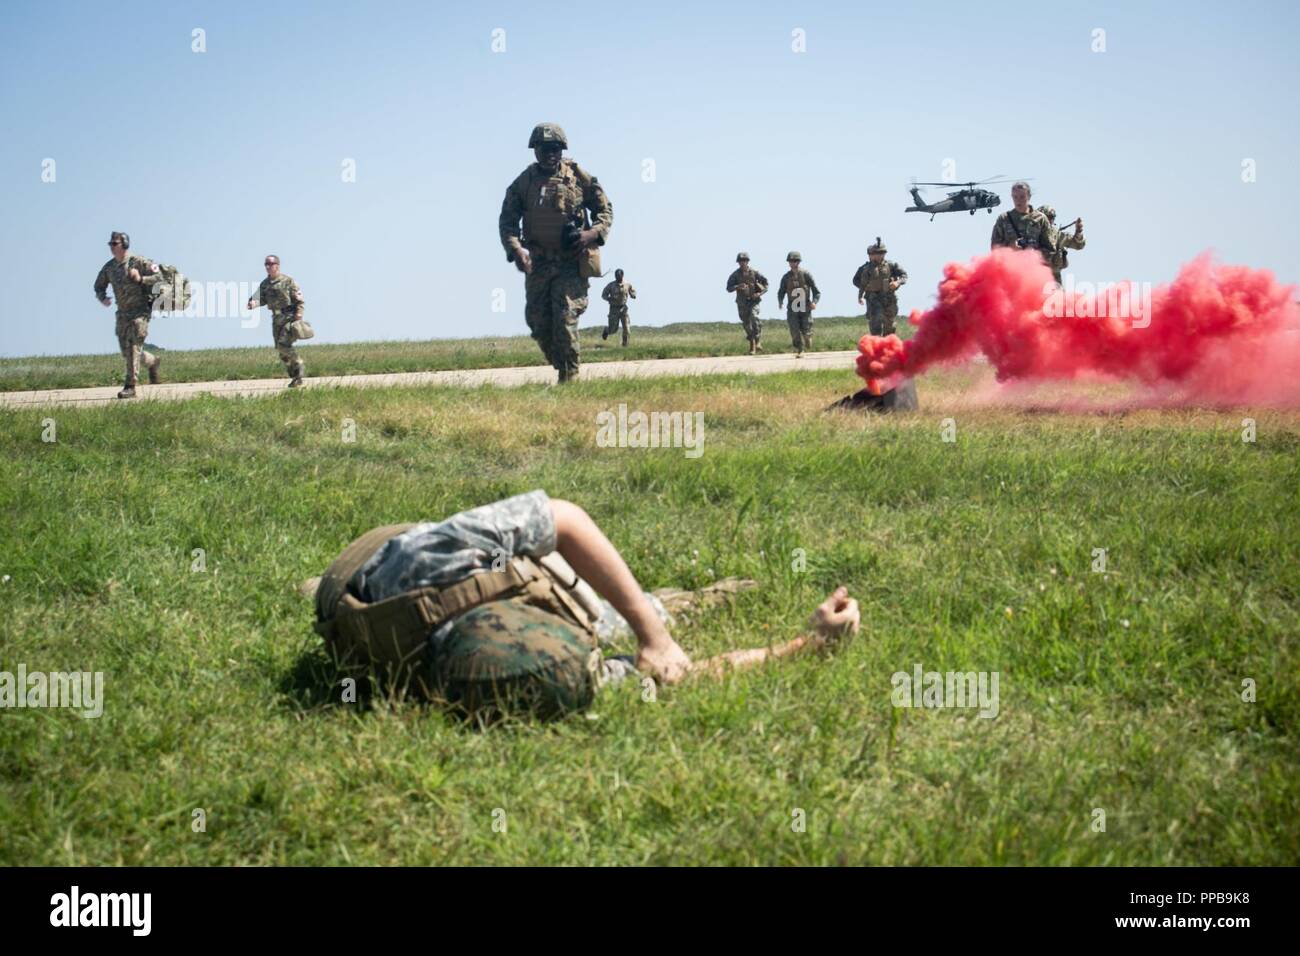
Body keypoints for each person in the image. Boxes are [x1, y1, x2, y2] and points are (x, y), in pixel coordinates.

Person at [311, 490, 860, 723]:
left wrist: (654, 638)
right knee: (617, 617)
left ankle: (680, 605)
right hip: (370, 597)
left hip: (386, 556)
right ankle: (670, 607)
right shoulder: (475, 683)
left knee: (634, 613)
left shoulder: (442, 554)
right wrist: (804, 647)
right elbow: (685, 679)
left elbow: (566, 519)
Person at [498, 123, 614, 383]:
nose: (550, 154)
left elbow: (605, 211)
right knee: (538, 323)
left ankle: (569, 378)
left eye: (555, 149)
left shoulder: (577, 177)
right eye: (544, 149)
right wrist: (515, 249)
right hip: (538, 263)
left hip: (571, 263)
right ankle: (560, 362)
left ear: (561, 150)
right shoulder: (523, 183)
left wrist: (591, 234)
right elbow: (507, 220)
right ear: (535, 151)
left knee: (565, 317)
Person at [93, 231, 163, 399]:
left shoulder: (138, 262)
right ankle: (153, 362)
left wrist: (141, 279)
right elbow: (98, 285)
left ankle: (130, 386)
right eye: (110, 244)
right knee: (127, 352)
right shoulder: (109, 268)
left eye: (115, 244)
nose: (111, 247)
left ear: (124, 244)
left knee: (133, 347)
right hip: (122, 314)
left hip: (140, 312)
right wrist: (102, 298)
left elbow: (159, 276)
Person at [246, 255, 307, 387]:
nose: (268, 267)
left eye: (271, 264)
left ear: (277, 265)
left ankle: (299, 364)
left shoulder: (288, 281)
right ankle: (296, 376)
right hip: (276, 318)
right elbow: (260, 298)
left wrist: (299, 313)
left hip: (288, 317)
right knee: (281, 352)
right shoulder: (265, 284)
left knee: (283, 345)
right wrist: (253, 304)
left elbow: (299, 299)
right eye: (266, 264)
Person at [989, 182, 1056, 268]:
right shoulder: (1003, 219)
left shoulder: (1040, 219)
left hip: (1034, 271)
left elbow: (1050, 250)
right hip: (1010, 271)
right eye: (1015, 197)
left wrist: (1034, 253)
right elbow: (994, 249)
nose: (1018, 200)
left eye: (1022, 197)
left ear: (1029, 196)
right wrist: (1010, 248)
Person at [853, 237, 908, 336]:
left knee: (890, 326)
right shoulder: (865, 268)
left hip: (888, 298)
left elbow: (904, 276)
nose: (877, 256)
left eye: (880, 254)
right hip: (872, 299)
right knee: (876, 323)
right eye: (874, 254)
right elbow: (855, 280)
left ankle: (888, 347)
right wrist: (866, 288)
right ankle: (876, 347)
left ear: (884, 254)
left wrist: (897, 283)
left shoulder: (891, 265)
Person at [776, 251, 821, 356]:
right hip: (792, 307)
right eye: (791, 261)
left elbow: (816, 291)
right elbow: (781, 291)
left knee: (806, 328)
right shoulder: (786, 277)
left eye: (795, 261)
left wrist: (814, 302)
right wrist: (780, 301)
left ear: (799, 262)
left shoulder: (806, 275)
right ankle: (800, 349)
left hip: (805, 305)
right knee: (794, 329)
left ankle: (807, 337)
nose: (793, 263)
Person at [726, 252, 769, 354]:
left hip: (754, 301)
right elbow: (728, 288)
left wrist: (759, 294)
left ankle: (758, 341)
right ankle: (752, 343)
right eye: (740, 261)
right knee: (746, 324)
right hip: (742, 302)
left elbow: (766, 284)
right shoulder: (735, 274)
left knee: (755, 317)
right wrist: (737, 286)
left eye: (744, 261)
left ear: (747, 261)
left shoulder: (755, 272)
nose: (742, 263)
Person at [1037, 205, 1086, 286]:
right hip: (1033, 281)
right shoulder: (1031, 235)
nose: (1048, 221)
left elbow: (1079, 244)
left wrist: (1078, 231)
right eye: (1045, 218)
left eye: (1051, 218)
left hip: (1054, 283)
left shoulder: (1058, 236)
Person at [600, 268, 636, 346]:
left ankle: (625, 346)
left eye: (619, 276)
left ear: (622, 275)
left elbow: (632, 291)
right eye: (616, 276)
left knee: (627, 329)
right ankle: (606, 330)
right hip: (614, 309)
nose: (617, 278)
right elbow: (603, 295)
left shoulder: (627, 284)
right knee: (613, 330)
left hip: (623, 309)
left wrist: (633, 295)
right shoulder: (611, 285)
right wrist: (608, 298)